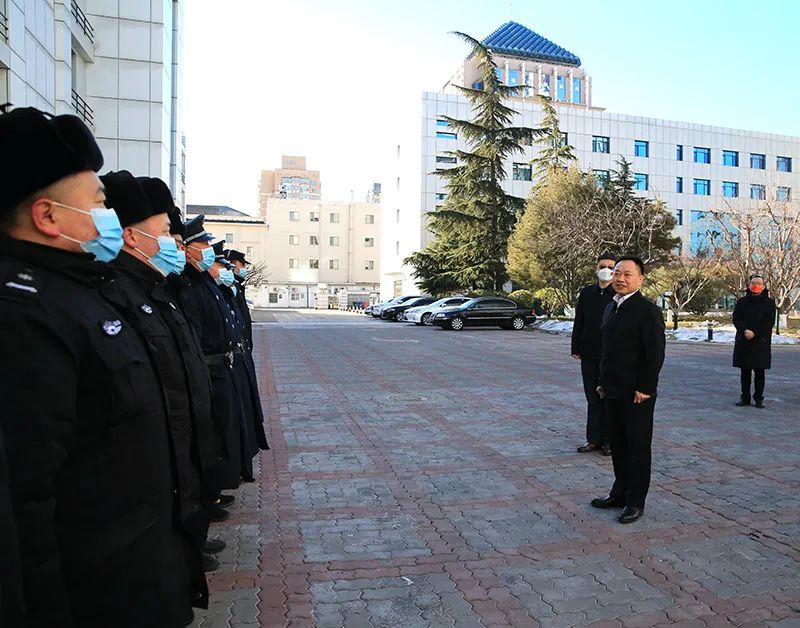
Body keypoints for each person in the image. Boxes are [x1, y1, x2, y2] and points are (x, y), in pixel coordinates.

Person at [0, 107, 196, 626]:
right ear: (47, 217)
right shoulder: (23, 314)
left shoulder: (82, 290)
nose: (107, 216)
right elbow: (27, 499)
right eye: (99, 204)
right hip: (95, 589)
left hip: (137, 566)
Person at [102, 171, 226, 576]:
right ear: (133, 238)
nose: (174, 242)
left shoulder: (159, 289)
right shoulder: (119, 291)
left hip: (182, 436)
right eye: (166, 233)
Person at [591, 256, 665, 524]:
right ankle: (619, 493)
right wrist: (601, 381)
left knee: (637, 447)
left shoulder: (647, 311)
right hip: (612, 389)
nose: (620, 278)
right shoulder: (611, 307)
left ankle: (636, 501)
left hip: (637, 394)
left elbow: (654, 353)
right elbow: (607, 350)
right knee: (618, 445)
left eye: (627, 274)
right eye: (617, 273)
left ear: (640, 279)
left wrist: (646, 387)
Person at [180, 217, 245, 495]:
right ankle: (209, 495)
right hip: (209, 371)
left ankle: (215, 491)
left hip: (223, 368)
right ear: (186, 249)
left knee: (225, 431)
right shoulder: (190, 287)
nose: (207, 248)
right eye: (203, 243)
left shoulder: (206, 285)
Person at [212, 243, 268, 483]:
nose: (243, 269)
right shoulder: (218, 289)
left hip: (240, 357)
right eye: (240, 265)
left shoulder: (234, 288)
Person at [572, 254, 616, 456]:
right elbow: (579, 320)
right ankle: (593, 439)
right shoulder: (587, 293)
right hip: (589, 353)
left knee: (607, 397)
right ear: (596, 268)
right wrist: (576, 346)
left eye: (610, 267)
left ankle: (609, 441)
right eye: (602, 266)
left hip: (610, 355)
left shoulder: (618, 294)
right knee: (592, 397)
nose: (605, 270)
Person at [732, 274, 776, 409]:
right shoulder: (742, 301)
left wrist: (754, 332)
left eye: (758, 283)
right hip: (744, 340)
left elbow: (769, 322)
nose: (755, 285)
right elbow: (736, 318)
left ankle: (759, 398)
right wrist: (744, 330)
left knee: (759, 371)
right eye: (753, 283)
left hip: (760, 341)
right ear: (749, 285)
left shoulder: (769, 303)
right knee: (745, 372)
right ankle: (745, 397)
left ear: (763, 286)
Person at [225, 248, 254, 351]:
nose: (244, 267)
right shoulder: (229, 286)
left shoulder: (238, 286)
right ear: (231, 264)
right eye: (242, 264)